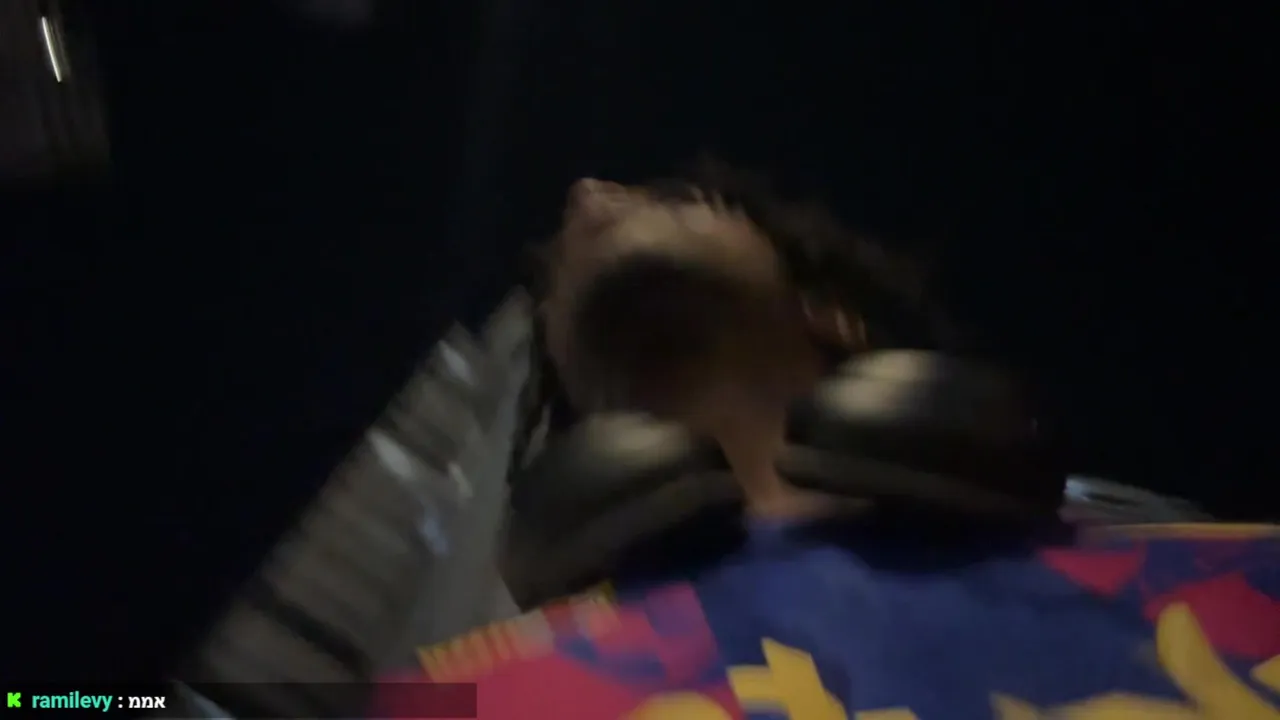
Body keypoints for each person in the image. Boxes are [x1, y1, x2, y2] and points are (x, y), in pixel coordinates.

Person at [374, 161, 1280, 719]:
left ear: (831, 316)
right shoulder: (495, 692)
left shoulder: (1156, 546)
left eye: (681, 197)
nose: (587, 195)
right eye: (553, 281)